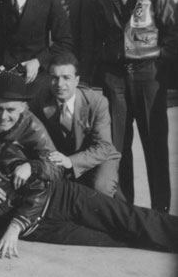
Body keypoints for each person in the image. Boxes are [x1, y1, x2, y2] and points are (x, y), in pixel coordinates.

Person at [0, 112, 178, 257]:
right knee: (112, 240)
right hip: (40, 228)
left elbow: (38, 188)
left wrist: (14, 227)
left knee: (128, 218)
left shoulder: (4, 151)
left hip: (61, 198)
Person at [95, 0, 177, 212]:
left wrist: (156, 65)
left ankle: (160, 212)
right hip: (115, 77)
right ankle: (125, 211)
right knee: (117, 146)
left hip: (148, 75)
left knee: (154, 144)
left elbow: (172, 34)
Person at [30, 53, 121, 198]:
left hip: (98, 158)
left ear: (76, 80)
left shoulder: (97, 102)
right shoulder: (40, 100)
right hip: (63, 158)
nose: (60, 84)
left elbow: (104, 146)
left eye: (66, 78)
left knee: (102, 189)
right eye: (54, 78)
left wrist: (71, 161)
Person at [0, 71, 62, 185]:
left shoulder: (34, 127)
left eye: (11, 110)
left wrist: (32, 167)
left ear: (23, 107)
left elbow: (56, 168)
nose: (3, 116)